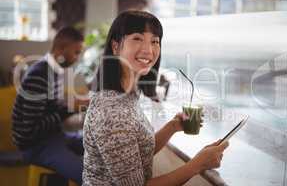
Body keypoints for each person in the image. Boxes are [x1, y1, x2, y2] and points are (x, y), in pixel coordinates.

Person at [82, 10, 229, 186]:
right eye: (137, 38)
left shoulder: (128, 95)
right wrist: (197, 164)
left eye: (155, 41)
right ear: (115, 46)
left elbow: (136, 153)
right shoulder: (112, 112)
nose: (148, 50)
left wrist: (173, 126)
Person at [12, 26, 88, 185]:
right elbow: (29, 130)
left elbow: (51, 110)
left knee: (95, 142)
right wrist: (70, 108)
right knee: (89, 175)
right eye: (76, 52)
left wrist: (72, 105)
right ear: (61, 49)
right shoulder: (39, 75)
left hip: (54, 136)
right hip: (36, 145)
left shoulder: (54, 71)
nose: (77, 58)